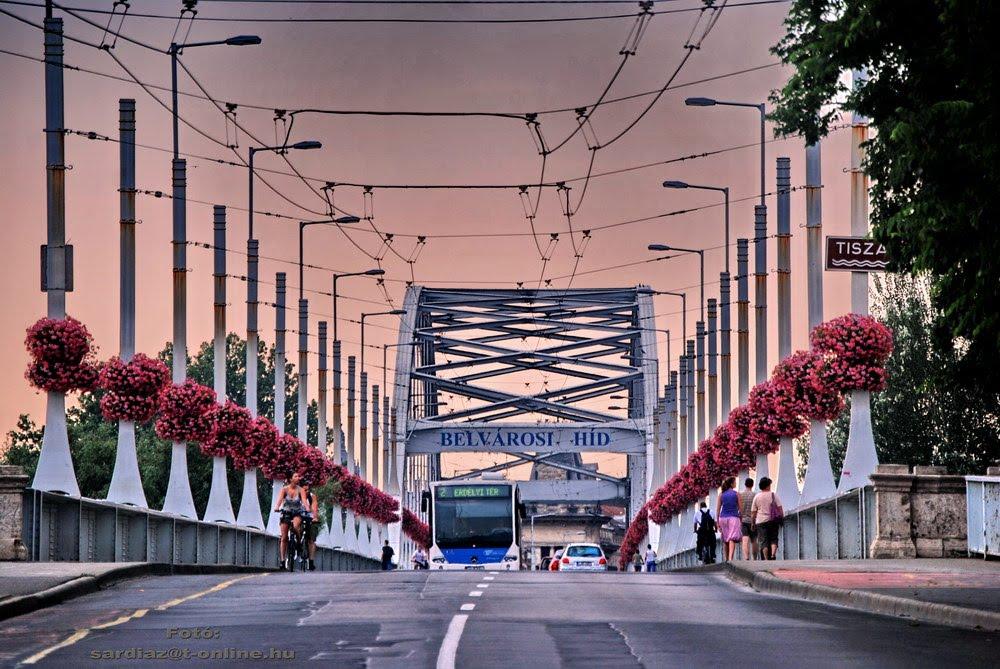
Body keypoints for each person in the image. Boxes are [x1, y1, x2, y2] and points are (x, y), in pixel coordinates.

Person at [274, 472, 309, 570]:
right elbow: (280, 500)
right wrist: (277, 507)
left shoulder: (301, 490)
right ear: (290, 479)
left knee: (295, 526)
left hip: (297, 512)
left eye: (298, 476)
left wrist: (307, 508)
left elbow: (304, 501)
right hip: (286, 512)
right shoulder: (284, 489)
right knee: (284, 537)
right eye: (296, 476)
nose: (298, 478)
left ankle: (298, 543)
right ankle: (282, 560)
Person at [750, 477, 783, 560]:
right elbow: (780, 508)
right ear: (767, 486)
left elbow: (753, 512)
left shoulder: (757, 497)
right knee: (773, 538)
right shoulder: (773, 495)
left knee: (763, 540)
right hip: (773, 520)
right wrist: (781, 517)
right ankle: (772, 555)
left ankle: (766, 558)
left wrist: (753, 523)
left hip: (761, 521)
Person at [716, 477, 742, 562]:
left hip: (723, 518)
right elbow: (740, 509)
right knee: (732, 538)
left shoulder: (721, 494)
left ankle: (726, 559)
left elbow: (718, 509)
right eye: (735, 482)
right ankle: (730, 559)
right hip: (733, 517)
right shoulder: (736, 494)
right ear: (731, 484)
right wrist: (741, 519)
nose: (736, 484)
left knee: (726, 539)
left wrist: (717, 522)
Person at [302, 484, 321, 571]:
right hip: (299, 517)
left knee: (311, 539)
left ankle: (311, 561)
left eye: (307, 490)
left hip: (310, 518)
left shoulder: (312, 497)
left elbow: (314, 507)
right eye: (304, 490)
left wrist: (315, 517)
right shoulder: (296, 496)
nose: (306, 492)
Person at [738, 477, 756, 560]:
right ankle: (755, 558)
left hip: (743, 520)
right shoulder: (754, 495)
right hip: (753, 520)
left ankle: (746, 557)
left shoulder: (740, 495)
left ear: (745, 485)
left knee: (745, 539)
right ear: (752, 485)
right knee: (754, 540)